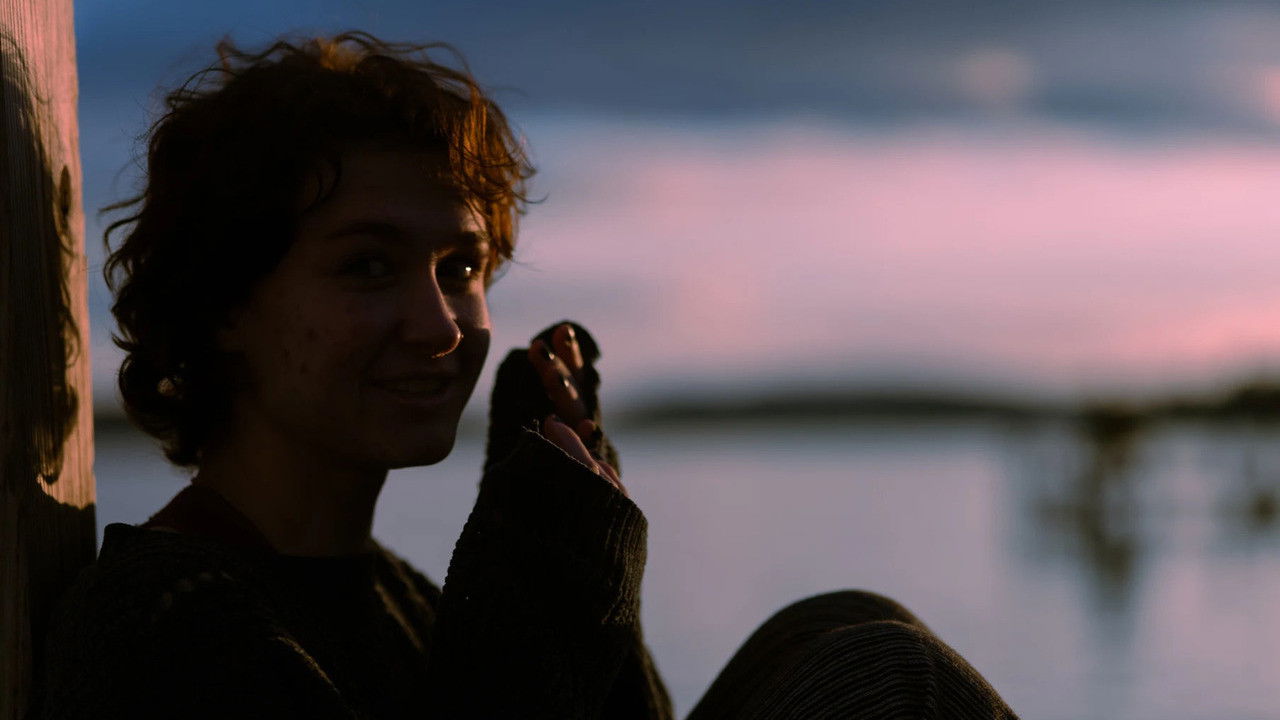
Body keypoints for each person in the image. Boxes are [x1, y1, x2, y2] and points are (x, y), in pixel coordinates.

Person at [41, 32, 1019, 719]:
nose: (439, 326)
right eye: (367, 265)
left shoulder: (394, 597)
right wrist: (542, 558)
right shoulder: (165, 622)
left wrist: (570, 508)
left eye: (460, 269)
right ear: (224, 305)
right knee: (879, 669)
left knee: (844, 629)